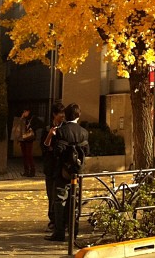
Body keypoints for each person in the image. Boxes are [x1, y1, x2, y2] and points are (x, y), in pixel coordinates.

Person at [44, 103, 89, 243]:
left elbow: (57, 151)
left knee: (59, 200)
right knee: (74, 200)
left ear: (66, 115)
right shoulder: (84, 132)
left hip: (62, 171)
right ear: (78, 115)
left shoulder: (62, 131)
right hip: (77, 172)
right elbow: (87, 151)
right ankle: (74, 230)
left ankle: (59, 232)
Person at [41, 102, 66, 232]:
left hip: (61, 168)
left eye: (63, 114)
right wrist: (50, 135)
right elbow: (44, 148)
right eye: (60, 114)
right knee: (51, 195)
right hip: (50, 167)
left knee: (61, 195)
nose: (62, 116)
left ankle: (61, 221)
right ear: (54, 115)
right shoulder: (47, 129)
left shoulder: (66, 129)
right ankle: (52, 220)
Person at [19, 106, 42, 177]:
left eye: (25, 111)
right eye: (23, 112)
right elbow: (18, 125)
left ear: (28, 111)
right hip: (22, 138)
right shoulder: (23, 119)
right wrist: (22, 118)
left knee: (29, 155)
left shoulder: (33, 118)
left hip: (29, 138)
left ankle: (32, 171)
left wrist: (32, 128)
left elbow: (40, 124)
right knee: (24, 155)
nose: (24, 113)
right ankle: (26, 171)